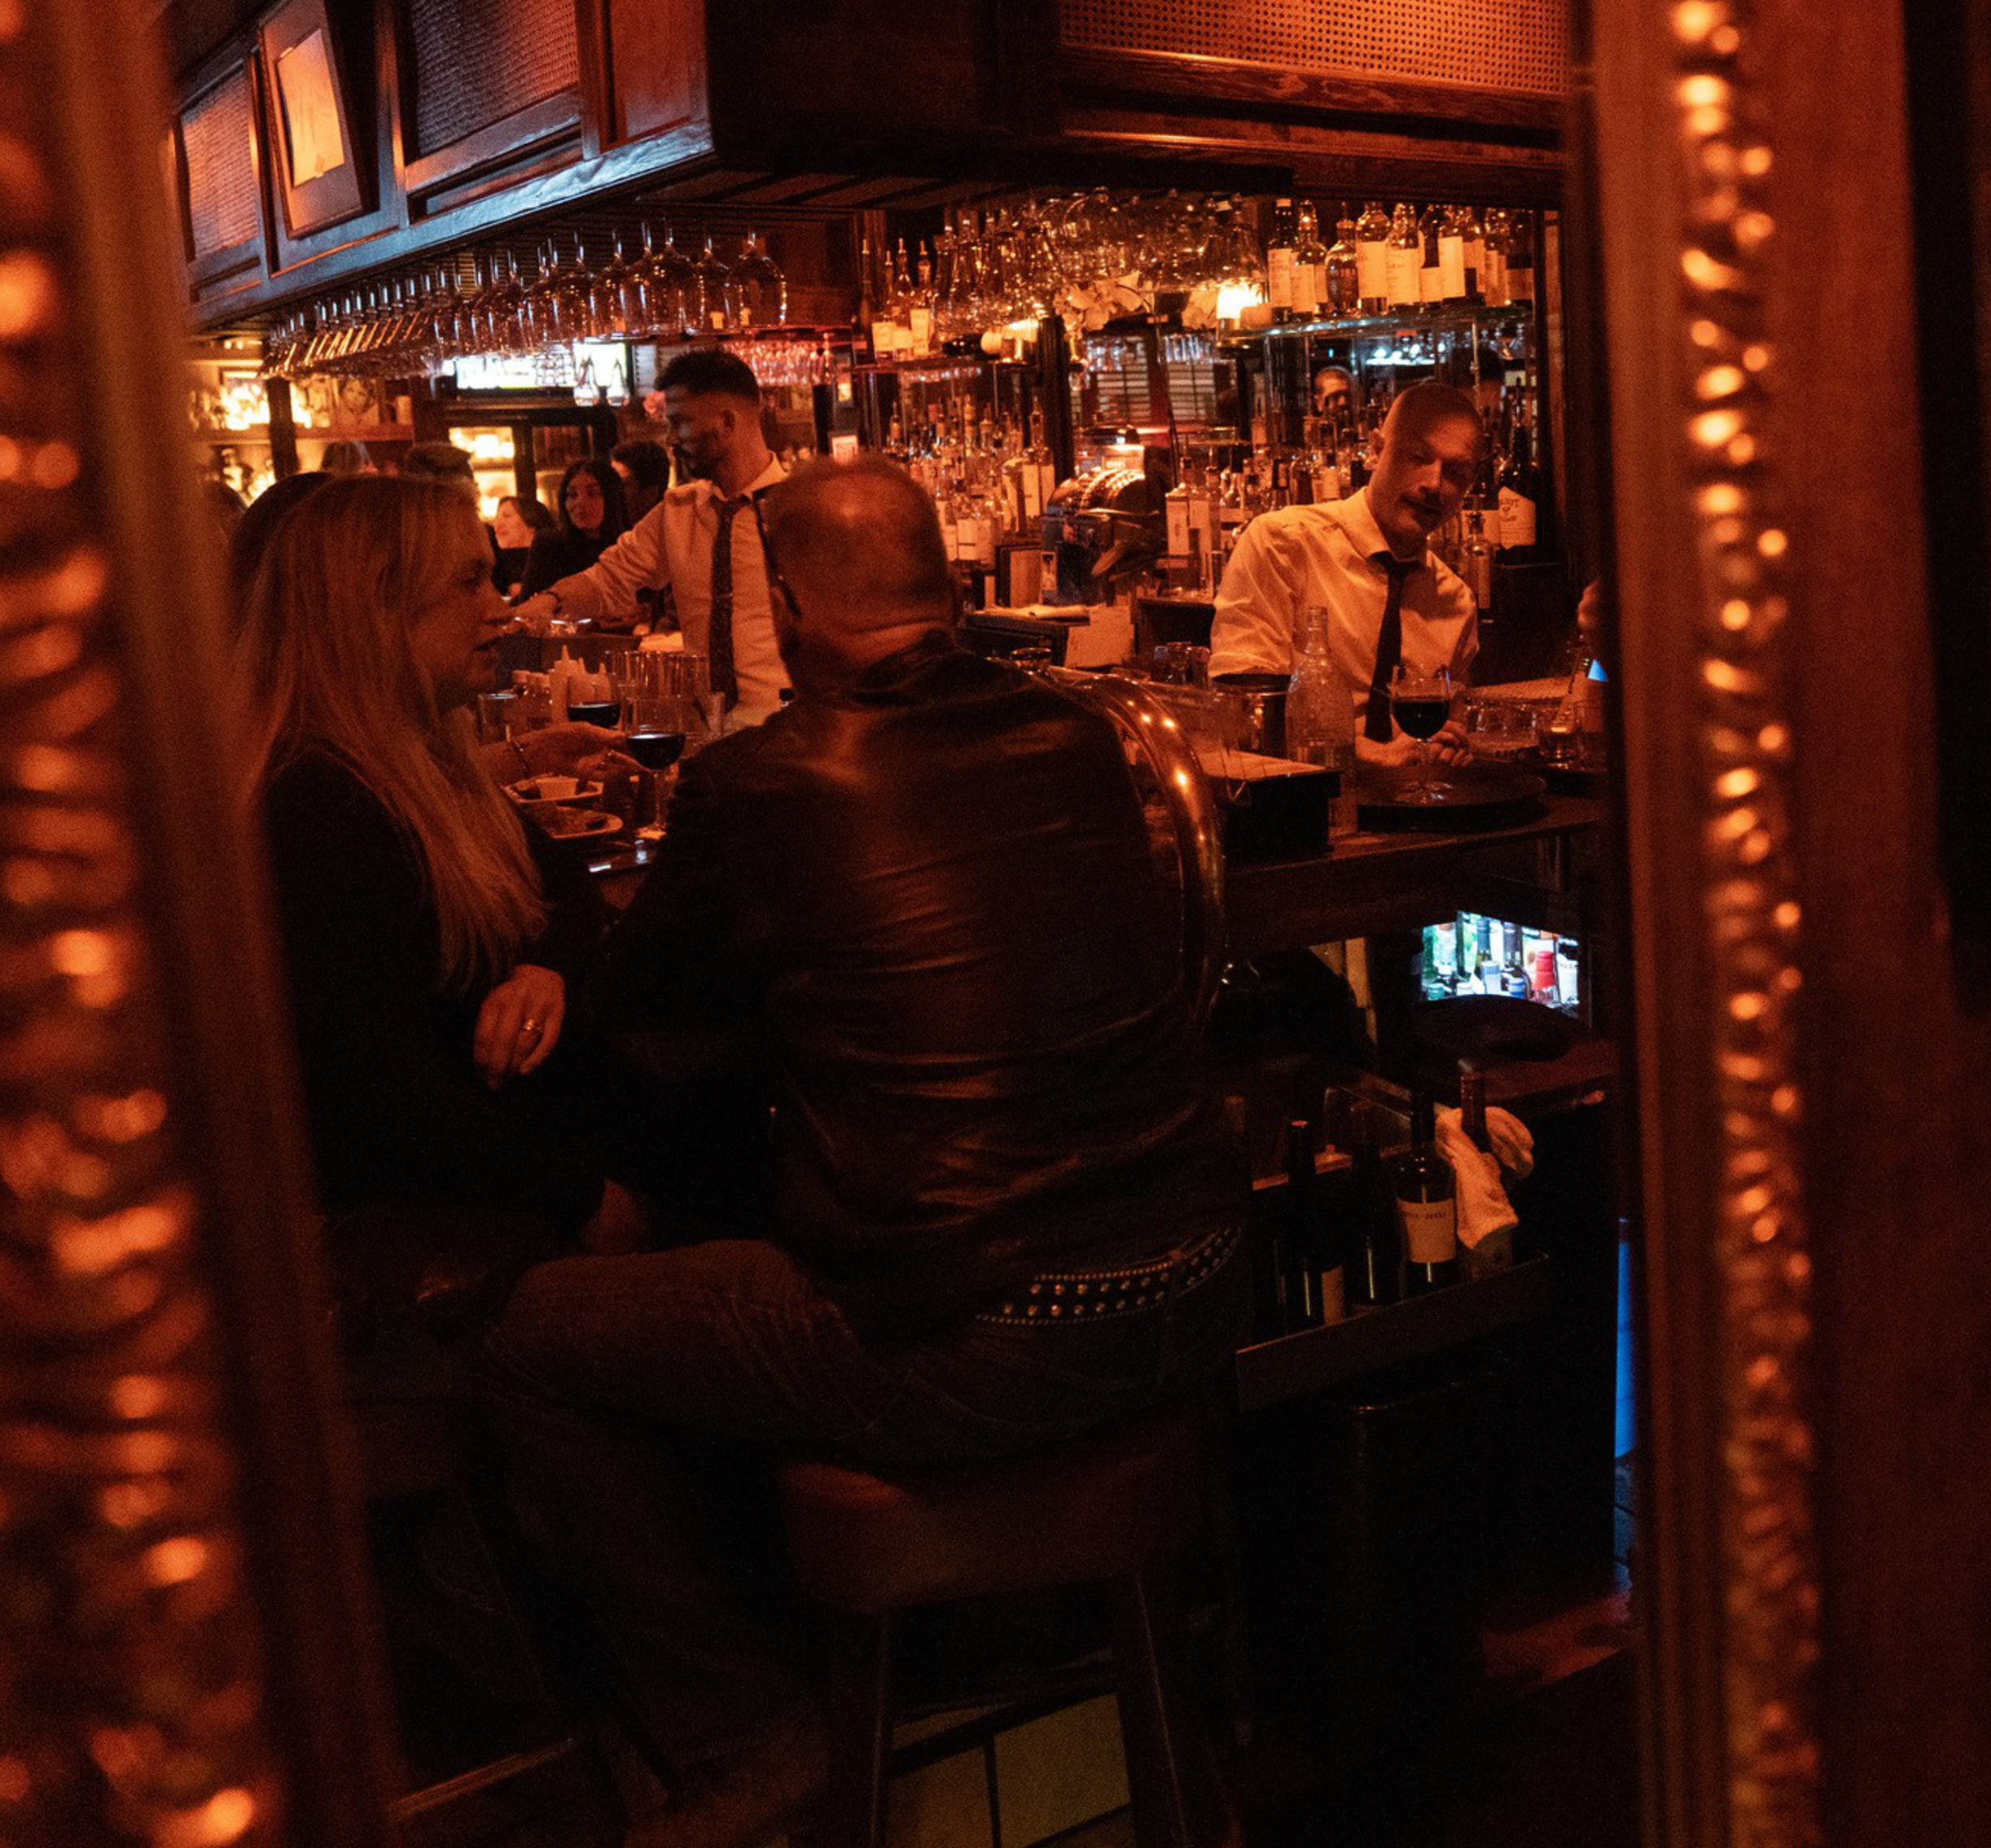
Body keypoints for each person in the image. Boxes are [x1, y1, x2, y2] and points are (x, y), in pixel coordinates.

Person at [477, 462, 1248, 1846]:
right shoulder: (1077, 736)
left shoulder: (756, 785)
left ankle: (752, 1733)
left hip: (970, 1334)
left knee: (536, 1329)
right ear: (949, 588)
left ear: (784, 606)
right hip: (1192, 1283)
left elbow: (651, 1021)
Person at [236, 475, 644, 1361]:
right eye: (468, 583)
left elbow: (562, 884)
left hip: (506, 1181)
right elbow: (384, 1110)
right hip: (448, 1240)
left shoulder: (421, 766)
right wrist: (586, 1196)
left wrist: (547, 969)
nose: (501, 611)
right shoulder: (317, 807)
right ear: (371, 612)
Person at [1209, 377, 1480, 766]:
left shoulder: (1455, 601)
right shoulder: (1283, 544)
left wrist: (1445, 750)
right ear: (1375, 451)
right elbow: (1246, 719)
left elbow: (1448, 731)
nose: (1433, 484)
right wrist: (1362, 755)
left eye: (1455, 472)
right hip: (1299, 808)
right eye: (1417, 457)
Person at [514, 353, 789, 730]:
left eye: (679, 422)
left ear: (726, 422)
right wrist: (550, 601)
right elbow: (607, 580)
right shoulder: (678, 511)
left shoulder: (802, 508)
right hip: (704, 732)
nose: (672, 438)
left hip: (786, 727)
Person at [520, 454, 633, 601]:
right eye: (572, 495)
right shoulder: (550, 544)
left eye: (592, 493)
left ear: (612, 498)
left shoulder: (629, 546)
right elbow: (530, 605)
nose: (580, 502)